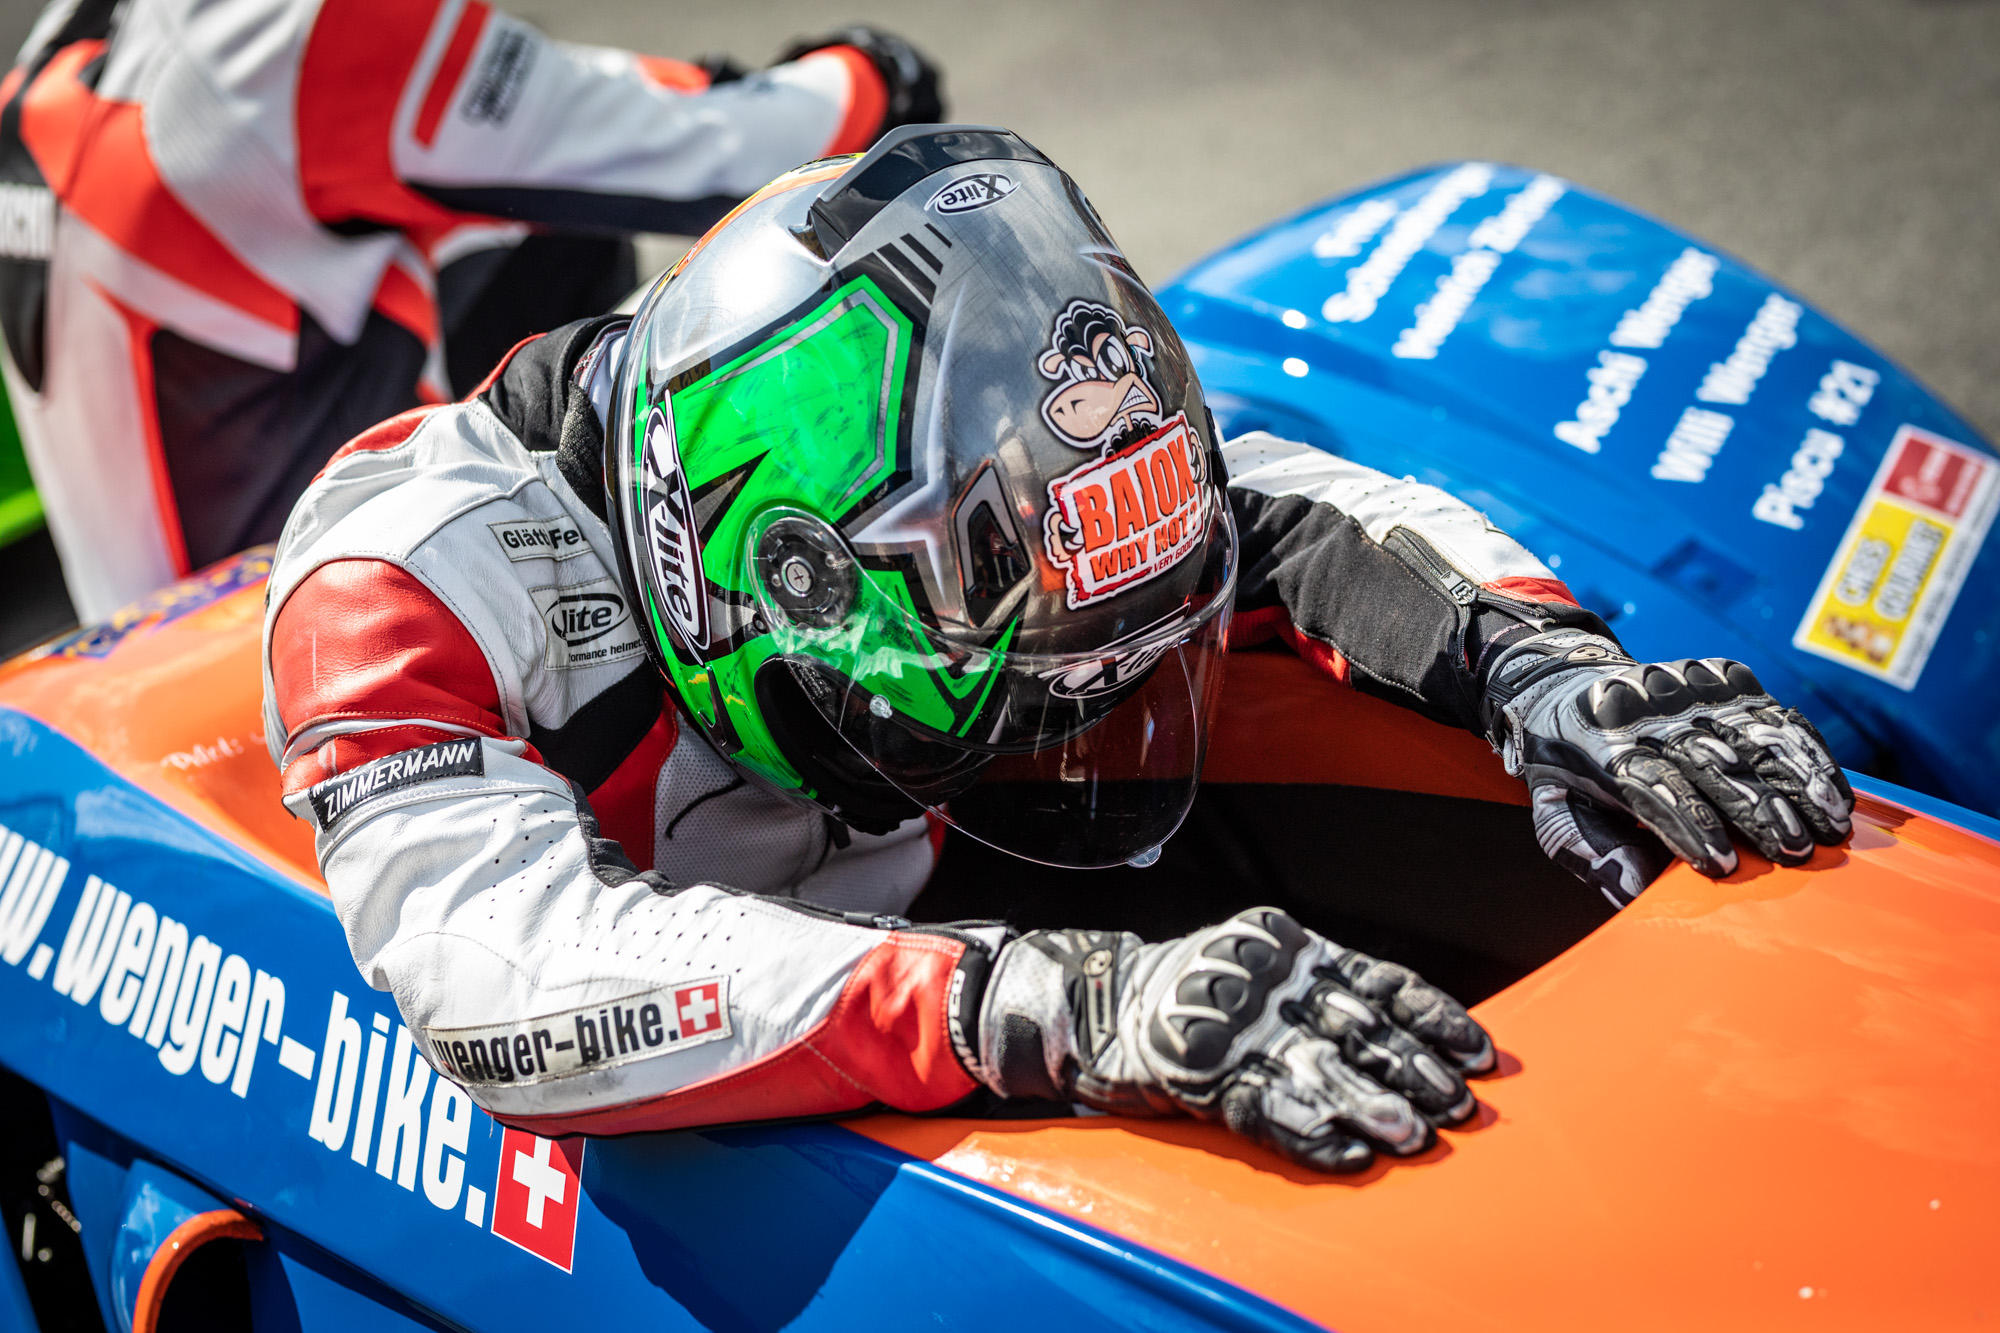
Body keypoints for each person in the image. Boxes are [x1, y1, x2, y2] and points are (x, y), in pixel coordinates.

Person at [260, 127, 1855, 1172]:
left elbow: (1263, 498)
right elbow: (498, 983)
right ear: (767, 581)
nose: (1067, 720)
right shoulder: (402, 580)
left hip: (928, 963)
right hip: (620, 1096)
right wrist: (1058, 1006)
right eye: (985, 684)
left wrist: (1539, 665)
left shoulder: (941, 414)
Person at [0, 0, 941, 621]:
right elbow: (750, 143)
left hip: (142, 657)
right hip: (317, 649)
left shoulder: (59, 52)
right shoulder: (284, 30)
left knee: (527, 243)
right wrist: (873, 67)